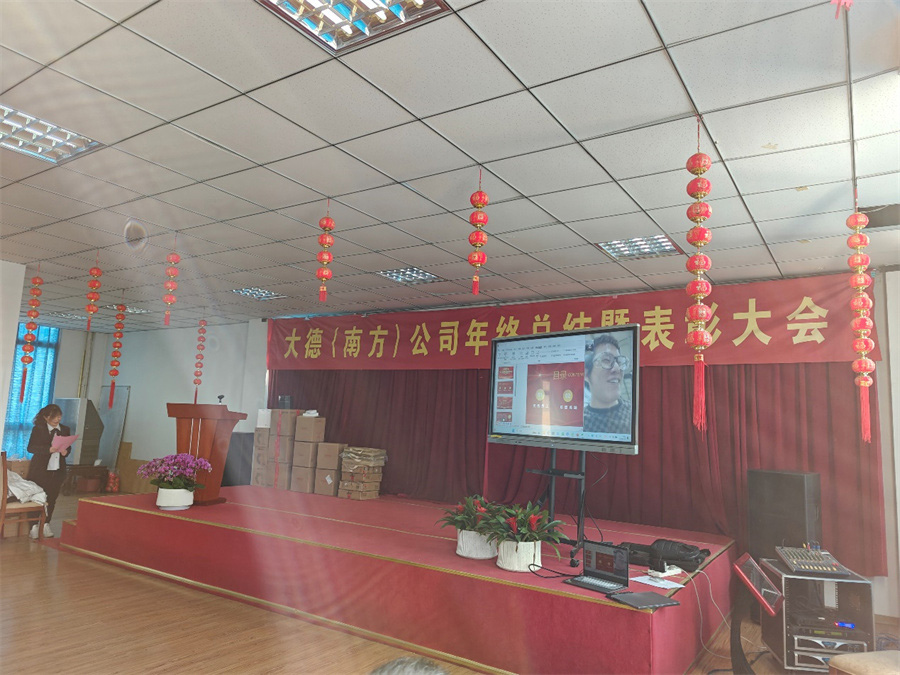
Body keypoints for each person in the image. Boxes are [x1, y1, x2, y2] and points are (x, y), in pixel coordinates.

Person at [25, 404, 72, 539]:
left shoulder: (65, 429)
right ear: (46, 417)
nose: (58, 419)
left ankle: (46, 523)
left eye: (59, 416)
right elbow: (31, 448)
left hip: (57, 470)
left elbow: (68, 447)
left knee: (52, 498)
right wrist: (48, 449)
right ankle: (34, 526)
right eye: (54, 417)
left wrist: (66, 452)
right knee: (37, 498)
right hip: (40, 470)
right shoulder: (38, 429)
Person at [583, 334, 632, 435]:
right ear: (586, 374)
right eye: (606, 360)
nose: (617, 368)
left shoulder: (633, 413)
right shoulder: (579, 422)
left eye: (619, 361)